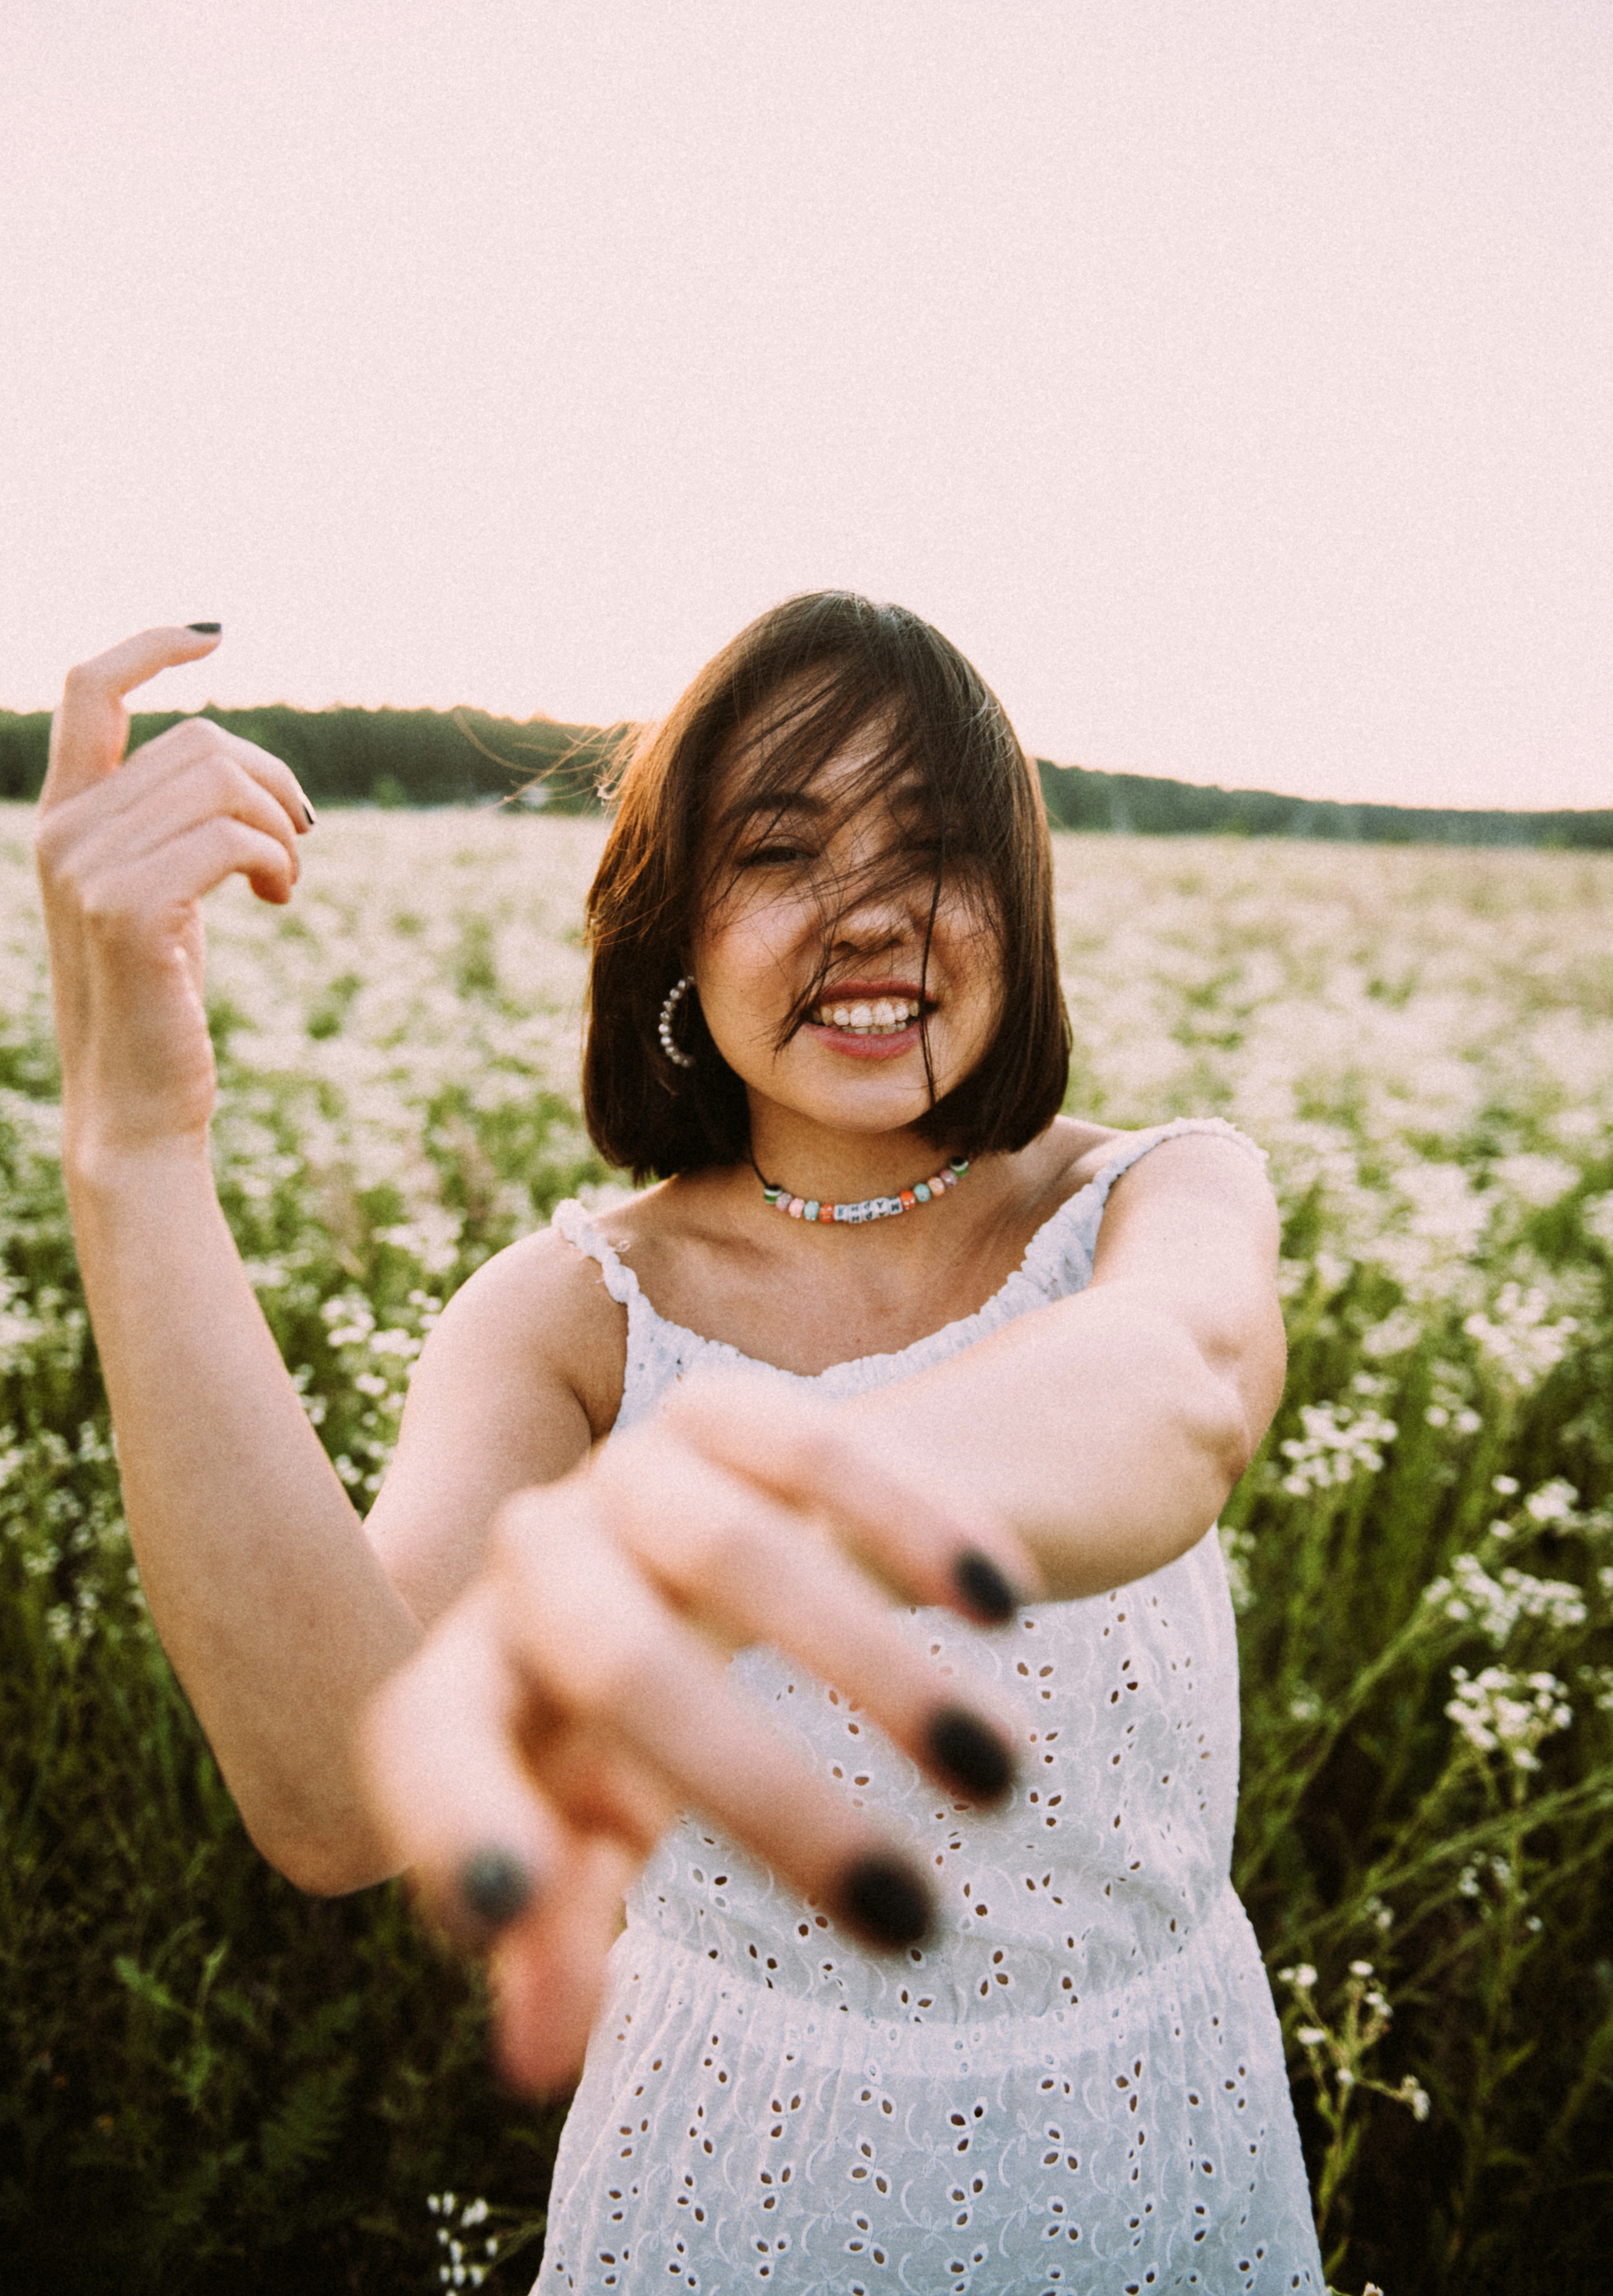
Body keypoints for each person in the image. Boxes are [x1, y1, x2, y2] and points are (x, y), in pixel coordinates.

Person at [36, 594, 1324, 2292]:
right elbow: (339, 1803)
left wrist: (725, 1518)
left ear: (1025, 901)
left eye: (933, 845)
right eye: (783, 851)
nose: (871, 917)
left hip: (1163, 2156)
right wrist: (135, 1149)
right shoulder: (568, 1314)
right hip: (737, 2190)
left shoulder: (1158, 1192)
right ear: (672, 923)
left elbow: (1179, 1393)